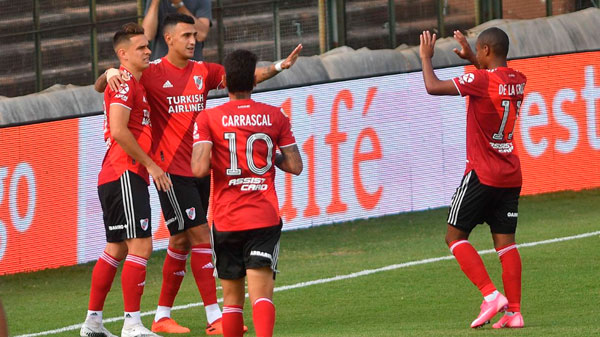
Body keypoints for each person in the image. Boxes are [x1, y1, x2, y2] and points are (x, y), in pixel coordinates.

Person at [96, 13, 302, 335]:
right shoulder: (150, 72)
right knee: (201, 235)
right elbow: (109, 84)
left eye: (195, 35)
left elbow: (244, 79)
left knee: (181, 240)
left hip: (199, 168)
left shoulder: (203, 72)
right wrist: (108, 72)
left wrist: (278, 67)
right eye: (187, 35)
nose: (194, 41)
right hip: (170, 170)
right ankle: (213, 315)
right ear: (169, 39)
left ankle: (162, 315)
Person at [419, 27, 527, 329]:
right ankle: (514, 313)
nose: (475, 56)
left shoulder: (480, 80)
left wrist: (426, 58)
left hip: (482, 172)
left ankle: (491, 295)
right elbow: (494, 80)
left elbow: (432, 86)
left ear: (487, 51)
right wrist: (474, 61)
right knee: (506, 245)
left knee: (454, 237)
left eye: (478, 51)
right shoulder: (519, 80)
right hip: (510, 173)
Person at [191, 48, 303, 337]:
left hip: (227, 219)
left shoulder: (208, 119)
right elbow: (295, 165)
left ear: (225, 80)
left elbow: (200, 169)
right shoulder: (275, 116)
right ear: (254, 82)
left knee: (231, 303)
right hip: (263, 217)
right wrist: (268, 158)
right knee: (262, 297)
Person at [81, 23, 171, 337]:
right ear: (123, 54)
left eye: (148, 46)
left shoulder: (132, 81)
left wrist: (105, 74)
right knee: (141, 245)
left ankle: (93, 323)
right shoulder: (124, 84)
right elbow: (119, 131)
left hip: (117, 173)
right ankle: (132, 324)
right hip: (125, 172)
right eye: (141, 48)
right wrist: (151, 165)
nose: (148, 51)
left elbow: (100, 86)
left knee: (116, 248)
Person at [143, 0, 211, 61]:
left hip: (192, 66)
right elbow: (147, 35)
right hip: (161, 66)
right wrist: (155, 2)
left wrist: (178, 4)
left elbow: (202, 35)